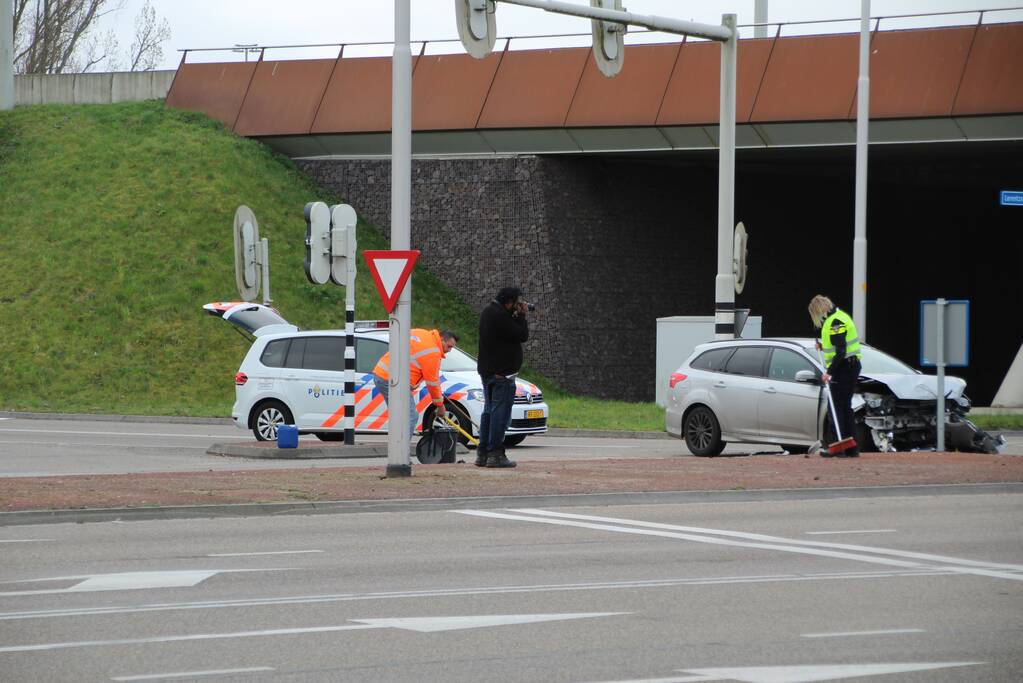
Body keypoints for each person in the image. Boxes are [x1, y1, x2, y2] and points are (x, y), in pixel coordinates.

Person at [476, 287, 530, 468]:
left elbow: (505, 335)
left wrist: (514, 315)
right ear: (510, 301)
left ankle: (482, 453)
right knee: (500, 414)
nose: (519, 305)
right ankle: (496, 453)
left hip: (488, 371)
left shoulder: (488, 312)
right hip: (502, 374)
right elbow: (522, 335)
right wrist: (522, 316)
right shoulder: (500, 316)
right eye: (517, 302)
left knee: (488, 412)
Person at [372, 329, 458, 437]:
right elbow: (432, 383)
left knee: (399, 416)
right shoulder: (433, 352)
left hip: (383, 373)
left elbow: (412, 356)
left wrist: (411, 379)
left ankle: (396, 445)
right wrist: (440, 406)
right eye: (449, 346)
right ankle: (400, 449)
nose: (449, 350)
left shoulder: (422, 333)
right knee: (409, 416)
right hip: (392, 379)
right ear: (441, 339)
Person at [808, 294, 863, 457]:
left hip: (844, 368)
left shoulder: (835, 322)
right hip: (851, 366)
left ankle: (837, 447)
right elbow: (838, 344)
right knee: (845, 407)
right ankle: (851, 448)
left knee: (835, 408)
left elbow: (841, 351)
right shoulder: (840, 316)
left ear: (820, 310)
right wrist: (823, 345)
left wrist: (828, 372)